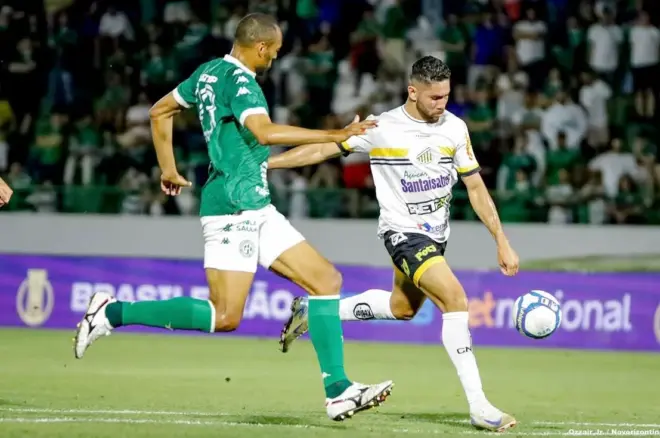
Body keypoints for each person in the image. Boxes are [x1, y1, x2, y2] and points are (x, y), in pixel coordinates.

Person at [73, 13, 393, 422]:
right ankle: (111, 312)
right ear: (260, 47)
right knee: (225, 316)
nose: (274, 59)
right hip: (231, 206)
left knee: (326, 280)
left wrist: (168, 168)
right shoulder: (243, 83)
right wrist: (334, 134)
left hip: (255, 203)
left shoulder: (207, 73)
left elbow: (159, 111)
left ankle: (339, 391)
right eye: (274, 51)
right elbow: (264, 132)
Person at [269, 56, 519, 432]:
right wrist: (266, 166)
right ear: (412, 91)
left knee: (402, 308)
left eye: (446, 96)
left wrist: (501, 239)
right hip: (402, 234)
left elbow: (475, 186)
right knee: (455, 300)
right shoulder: (382, 127)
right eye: (435, 97)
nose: (442, 104)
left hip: (436, 237)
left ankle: (316, 310)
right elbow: (322, 150)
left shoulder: (455, 128)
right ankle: (479, 406)